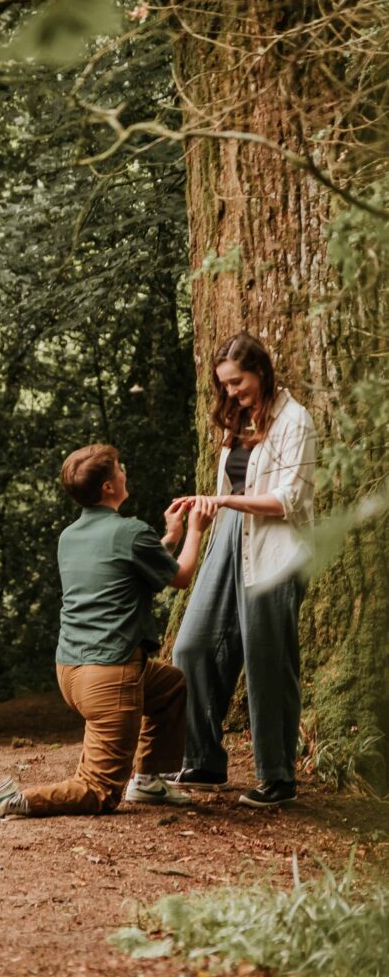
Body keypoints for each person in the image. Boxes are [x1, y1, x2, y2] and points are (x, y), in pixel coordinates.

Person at [0, 443, 217, 821]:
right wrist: (195, 530)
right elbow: (181, 576)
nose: (124, 473)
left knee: (170, 685)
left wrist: (170, 536)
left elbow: (132, 565)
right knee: (99, 791)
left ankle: (147, 780)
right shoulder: (130, 531)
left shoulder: (70, 536)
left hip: (71, 671)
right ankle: (13, 800)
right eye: (120, 468)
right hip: (109, 676)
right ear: (108, 486)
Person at [164, 332, 317, 808]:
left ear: (261, 372)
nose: (231, 392)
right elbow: (230, 483)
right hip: (229, 536)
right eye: (225, 385)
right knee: (192, 645)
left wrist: (227, 501)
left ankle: (277, 776)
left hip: (276, 546)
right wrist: (205, 512)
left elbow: (291, 499)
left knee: (268, 660)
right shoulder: (236, 419)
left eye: (237, 382)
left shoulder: (295, 420)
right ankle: (204, 761)